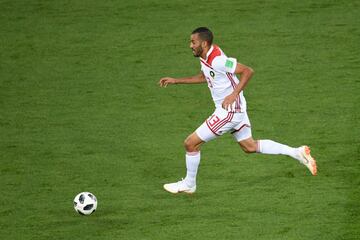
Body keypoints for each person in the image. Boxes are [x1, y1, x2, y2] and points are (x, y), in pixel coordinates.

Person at [159, 27, 317, 194]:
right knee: (249, 146)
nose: (190, 45)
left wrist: (234, 94)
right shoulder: (205, 56)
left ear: (204, 43)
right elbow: (205, 76)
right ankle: (297, 153)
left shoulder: (218, 59)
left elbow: (247, 70)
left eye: (193, 42)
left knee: (190, 143)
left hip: (229, 111)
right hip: (235, 108)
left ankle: (189, 184)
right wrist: (176, 80)